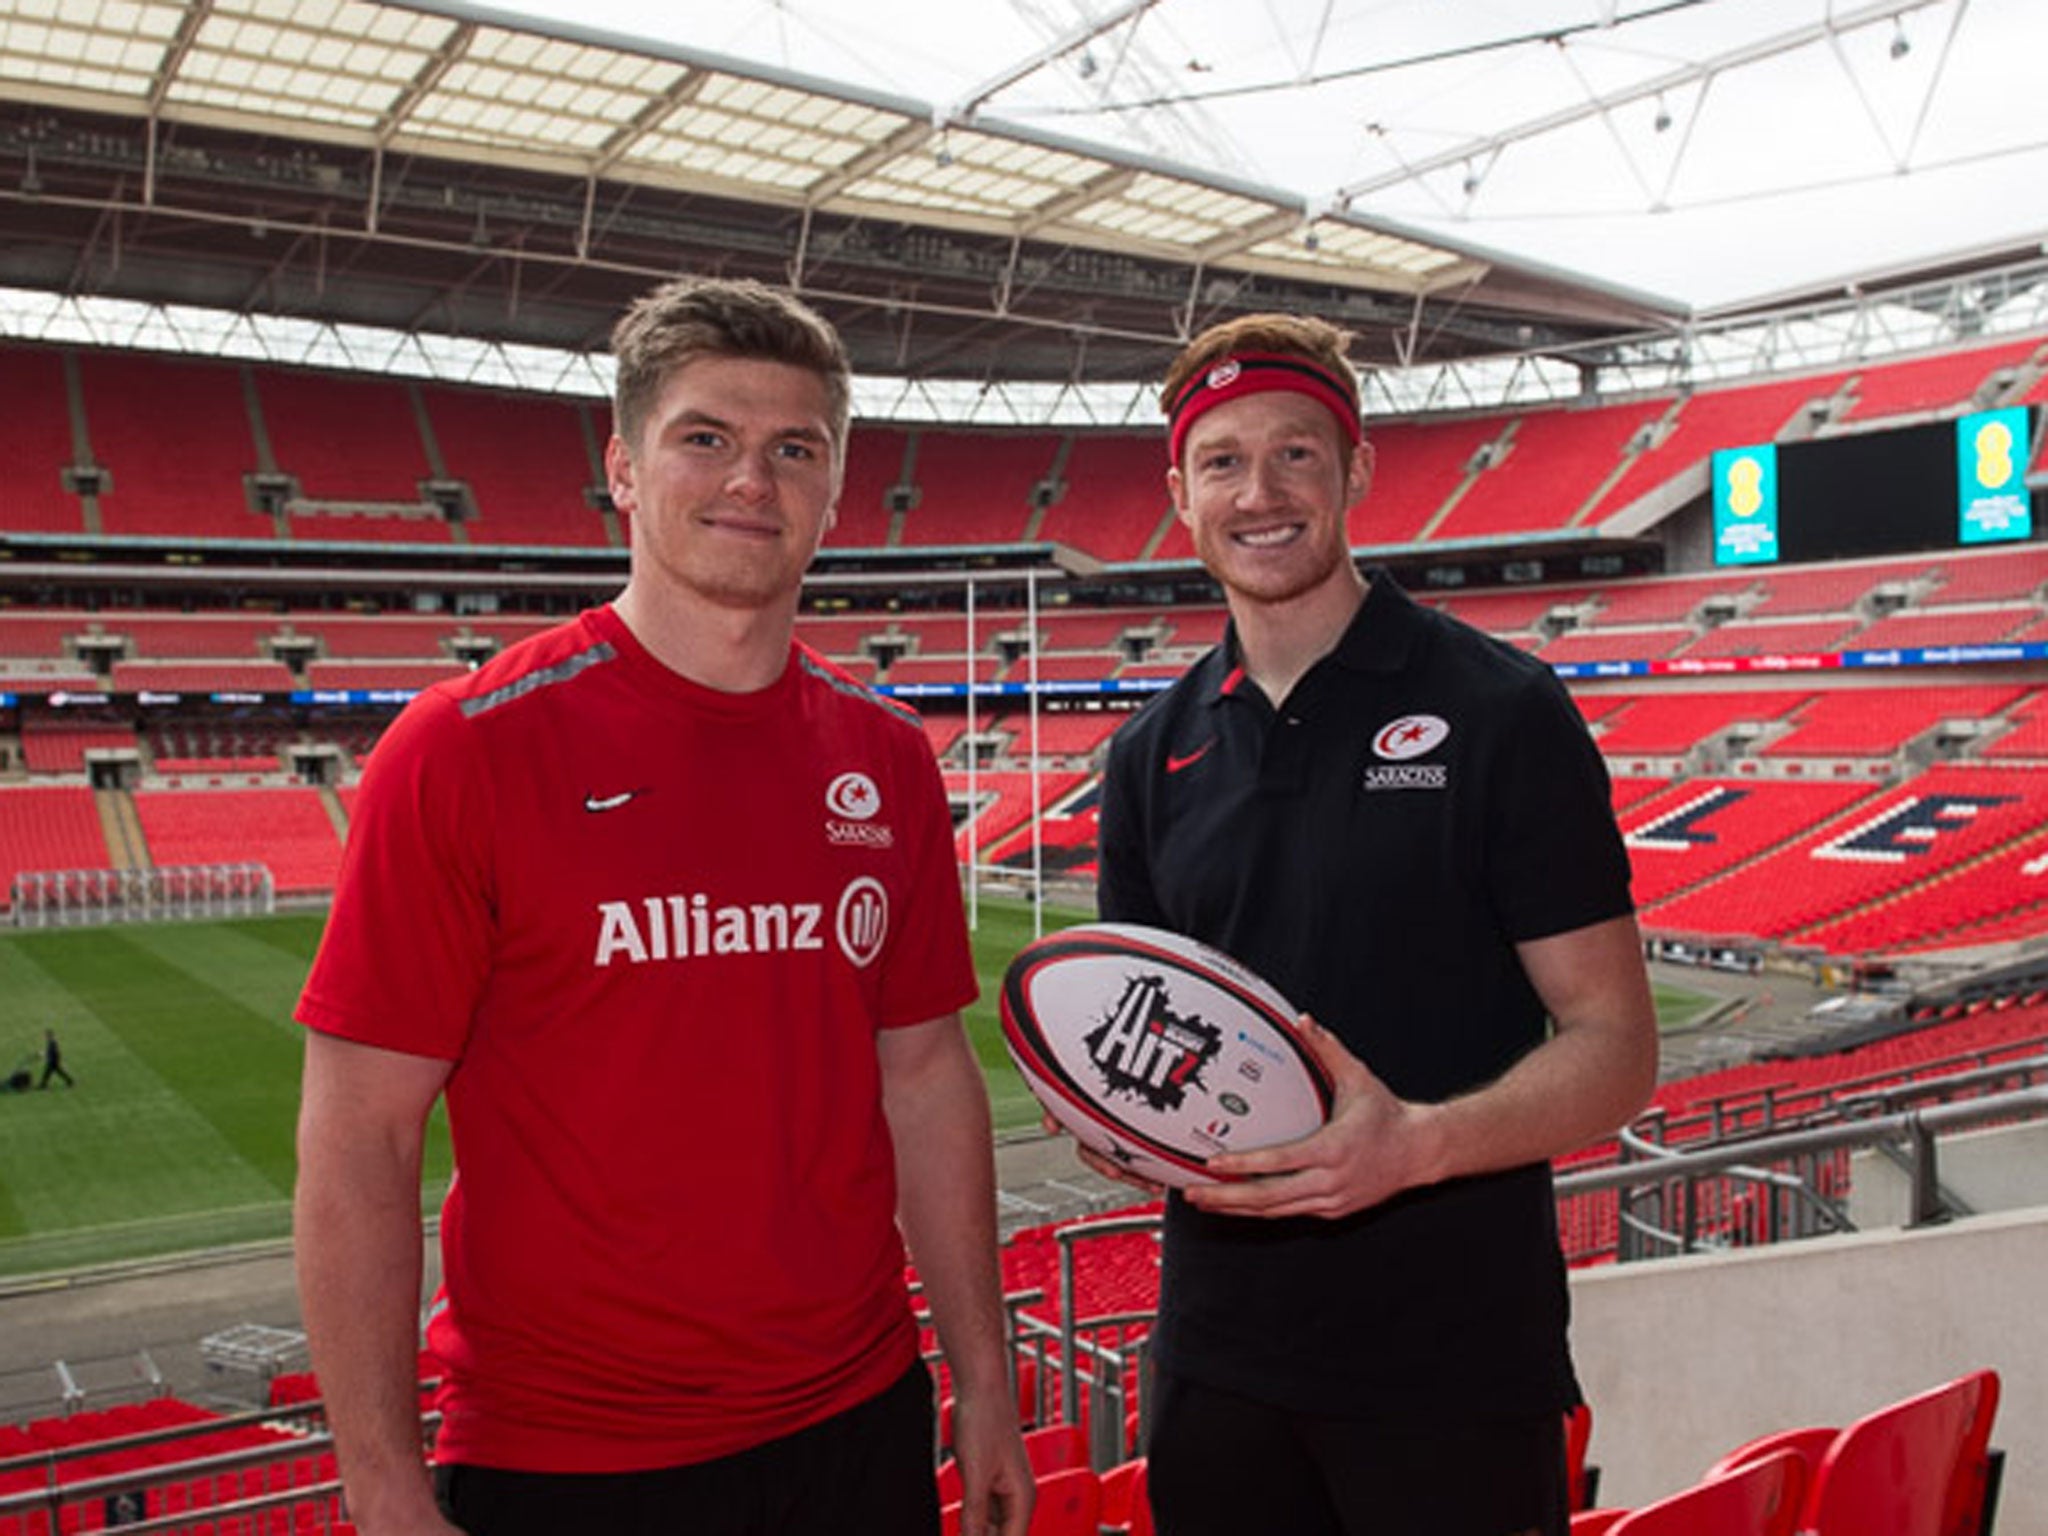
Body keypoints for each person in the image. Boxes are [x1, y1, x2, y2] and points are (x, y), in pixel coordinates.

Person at [293, 277, 1033, 1536]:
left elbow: (919, 1073)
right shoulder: (464, 749)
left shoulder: (887, 757)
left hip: (856, 1422)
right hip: (570, 1458)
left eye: (791, 449)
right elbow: (360, 1134)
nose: (751, 478)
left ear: (834, 495)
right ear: (624, 471)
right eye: (705, 438)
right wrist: (380, 1479)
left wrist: (985, 1377)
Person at [1086, 315, 1659, 1536]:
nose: (1260, 493)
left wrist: (1417, 1145)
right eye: (1223, 460)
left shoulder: (1501, 711)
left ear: (1352, 471)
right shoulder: (1145, 757)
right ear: (1177, 491)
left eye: (1295, 454)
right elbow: (1138, 1029)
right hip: (1215, 1362)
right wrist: (1121, 1125)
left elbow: (1613, 1046)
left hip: (1449, 1364)